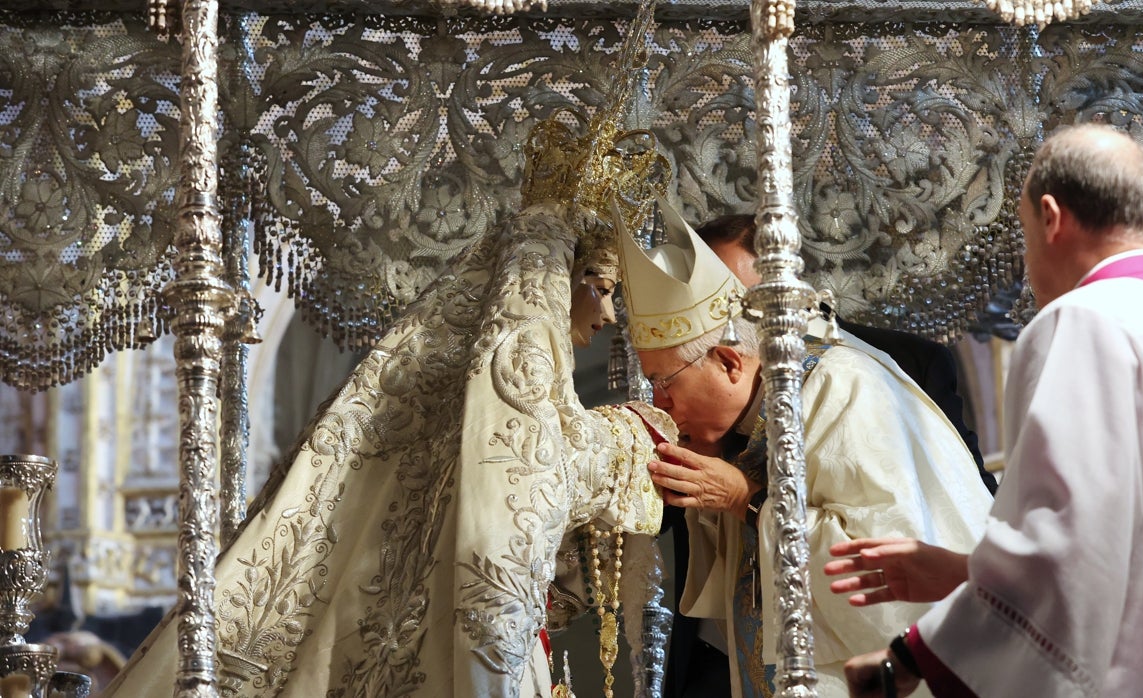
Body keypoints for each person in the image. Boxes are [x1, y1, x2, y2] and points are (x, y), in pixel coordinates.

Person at [103, 22, 678, 696]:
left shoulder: (477, 364)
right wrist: (636, 433)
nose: (607, 316)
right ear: (553, 279)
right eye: (600, 289)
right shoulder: (497, 372)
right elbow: (529, 470)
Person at [834, 123, 1143, 698]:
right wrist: (966, 573)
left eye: (1025, 234)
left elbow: (1061, 547)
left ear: (1050, 217)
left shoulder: (1083, 321)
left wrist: (907, 657)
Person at [616, 201, 993, 697]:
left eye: (665, 383)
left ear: (730, 362)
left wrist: (745, 501)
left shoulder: (842, 387)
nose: (661, 403)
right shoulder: (750, 414)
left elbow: (882, 573)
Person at [694, 214, 995, 494]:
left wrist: (747, 500)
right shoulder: (694, 385)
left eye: (735, 297)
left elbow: (967, 497)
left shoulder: (909, 362)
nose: (728, 316)